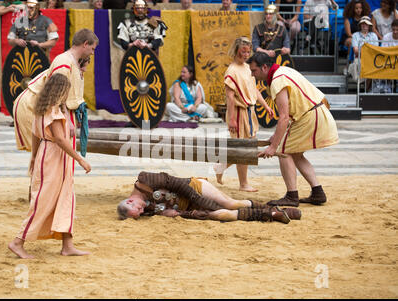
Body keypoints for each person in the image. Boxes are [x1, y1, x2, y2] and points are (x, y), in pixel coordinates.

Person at [8, 73, 92, 259]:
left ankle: (67, 245)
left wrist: (33, 156)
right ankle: (17, 241)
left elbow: (35, 135)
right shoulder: (52, 112)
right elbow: (60, 140)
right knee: (43, 201)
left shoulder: (45, 109)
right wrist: (80, 159)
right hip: (53, 158)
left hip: (52, 157)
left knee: (66, 198)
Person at [248, 52, 339, 207]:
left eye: (254, 71)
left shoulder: (277, 80)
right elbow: (289, 114)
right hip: (314, 112)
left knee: (283, 151)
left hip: (310, 115)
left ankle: (291, 196)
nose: (252, 75)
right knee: (295, 154)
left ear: (264, 67)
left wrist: (273, 146)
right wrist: (276, 137)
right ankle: (318, 193)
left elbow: (283, 117)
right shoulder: (283, 71)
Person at [13, 28, 98, 152]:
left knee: (57, 155)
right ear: (85, 44)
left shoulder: (74, 62)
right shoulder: (64, 62)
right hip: (34, 105)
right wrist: (67, 121)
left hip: (50, 107)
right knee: (49, 153)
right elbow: (55, 96)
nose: (92, 53)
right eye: (92, 49)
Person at [117, 171, 302, 224]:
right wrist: (177, 213)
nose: (143, 212)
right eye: (139, 215)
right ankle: (272, 214)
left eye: (138, 209)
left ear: (131, 201)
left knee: (229, 204)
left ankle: (270, 208)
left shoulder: (145, 179)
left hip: (194, 187)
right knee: (221, 215)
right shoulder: (146, 209)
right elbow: (171, 211)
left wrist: (204, 203)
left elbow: (178, 184)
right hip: (187, 207)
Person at [213, 37, 274, 193]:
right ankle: (243, 183)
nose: (246, 54)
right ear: (236, 50)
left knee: (248, 147)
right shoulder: (232, 71)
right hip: (239, 113)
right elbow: (230, 98)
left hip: (250, 111)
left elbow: (254, 90)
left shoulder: (248, 68)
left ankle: (221, 165)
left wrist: (266, 106)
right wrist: (232, 118)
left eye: (248, 51)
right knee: (243, 149)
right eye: (243, 51)